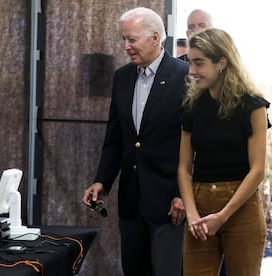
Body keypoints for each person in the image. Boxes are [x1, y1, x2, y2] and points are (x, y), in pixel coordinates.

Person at [82, 7, 188, 276]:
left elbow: (194, 145)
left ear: (155, 37)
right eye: (123, 39)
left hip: (169, 201)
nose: (125, 46)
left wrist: (182, 194)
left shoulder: (185, 77)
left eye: (132, 39)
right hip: (131, 201)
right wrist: (101, 181)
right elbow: (115, 138)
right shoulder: (122, 77)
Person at [178, 28, 269, 276]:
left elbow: (258, 169)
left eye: (199, 63)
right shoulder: (192, 105)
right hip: (199, 203)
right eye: (190, 62)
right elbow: (184, 168)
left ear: (222, 62)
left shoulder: (252, 104)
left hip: (240, 205)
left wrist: (222, 215)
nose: (192, 71)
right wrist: (192, 214)